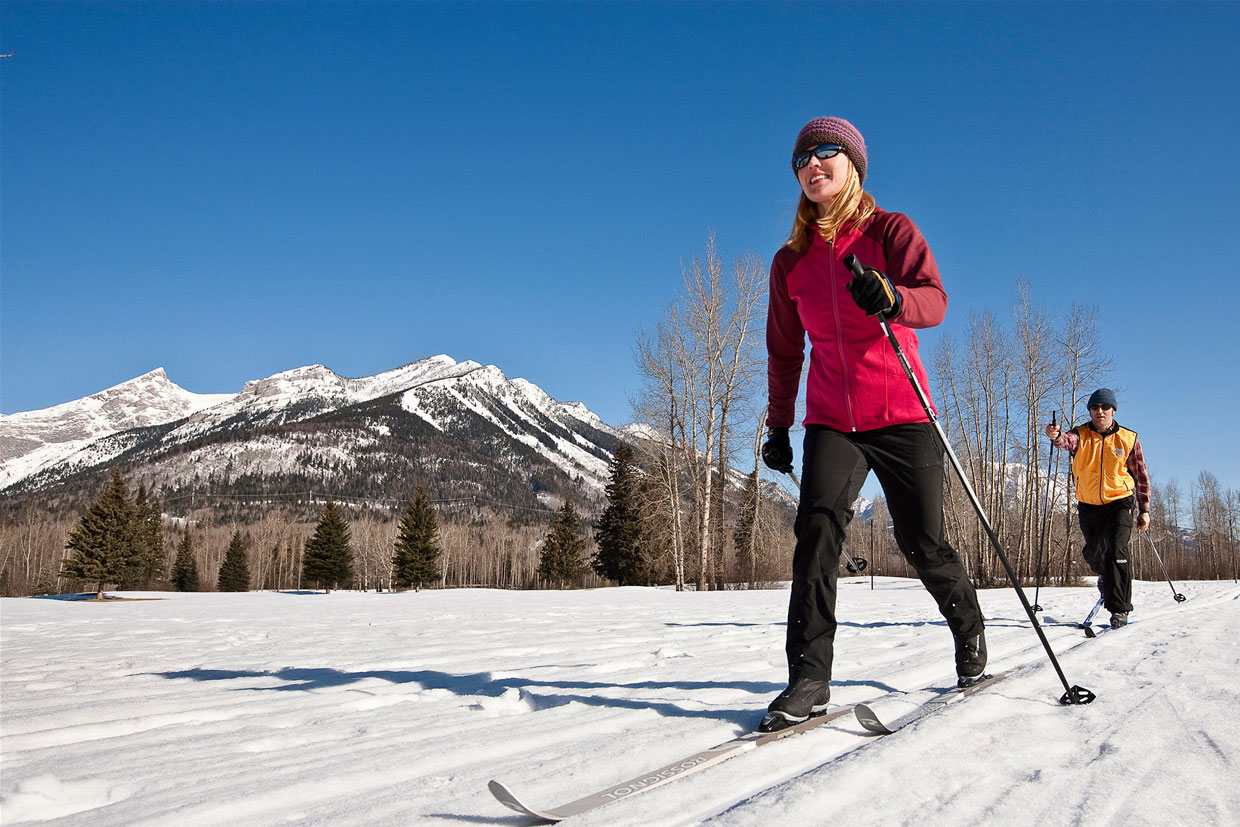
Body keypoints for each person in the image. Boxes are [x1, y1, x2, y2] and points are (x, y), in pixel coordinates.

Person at [759, 116, 986, 732]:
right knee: (817, 533)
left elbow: (933, 299)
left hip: (902, 411)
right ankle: (808, 678)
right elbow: (785, 350)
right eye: (802, 158)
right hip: (832, 417)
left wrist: (893, 297)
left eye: (826, 153)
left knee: (923, 543)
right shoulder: (790, 263)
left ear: (853, 164)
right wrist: (780, 424)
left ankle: (969, 629)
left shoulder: (890, 231)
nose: (813, 165)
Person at [1045, 388, 1151, 629]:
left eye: (1104, 407)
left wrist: (1144, 509)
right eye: (1095, 408)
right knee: (1094, 553)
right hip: (1089, 504)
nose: (1099, 411)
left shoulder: (1128, 438)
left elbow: (1141, 476)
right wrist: (1055, 435)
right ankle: (1105, 576)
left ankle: (1120, 608)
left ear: (1113, 410)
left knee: (1118, 553)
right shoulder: (1080, 435)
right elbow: (1065, 441)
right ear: (1090, 411)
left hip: (1120, 502)